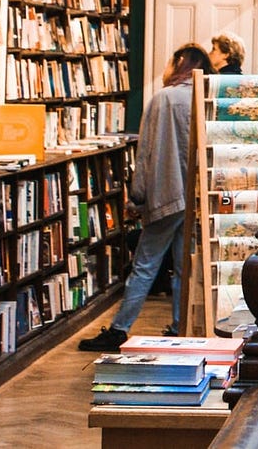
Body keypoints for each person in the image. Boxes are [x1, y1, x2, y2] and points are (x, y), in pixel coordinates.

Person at [80, 42, 214, 350]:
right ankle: (180, 328)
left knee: (145, 264)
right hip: (196, 199)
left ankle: (119, 329)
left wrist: (137, 197)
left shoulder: (163, 99)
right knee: (185, 268)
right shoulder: (206, 98)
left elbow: (147, 153)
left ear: (179, 64)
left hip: (167, 195)